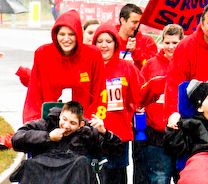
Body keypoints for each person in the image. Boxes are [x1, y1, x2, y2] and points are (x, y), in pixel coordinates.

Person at [22, 10, 107, 123]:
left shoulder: (93, 55)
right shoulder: (42, 54)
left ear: (78, 35)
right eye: (62, 34)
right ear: (55, 35)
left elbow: (100, 92)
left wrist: (91, 123)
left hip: (82, 125)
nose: (66, 39)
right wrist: (33, 122)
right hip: (49, 124)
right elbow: (34, 93)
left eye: (71, 34)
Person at [11, 101, 122, 184]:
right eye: (64, 119)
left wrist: (105, 132)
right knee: (30, 164)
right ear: (60, 116)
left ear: (80, 125)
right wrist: (47, 137)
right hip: (44, 169)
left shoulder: (87, 133)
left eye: (72, 123)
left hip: (72, 171)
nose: (66, 125)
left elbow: (117, 151)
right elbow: (16, 139)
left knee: (82, 162)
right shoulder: (45, 125)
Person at [93, 23, 143, 184]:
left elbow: (138, 97)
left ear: (115, 43)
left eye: (108, 41)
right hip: (92, 134)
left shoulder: (127, 68)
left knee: (116, 178)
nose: (104, 45)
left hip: (118, 135)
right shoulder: (89, 67)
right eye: (99, 41)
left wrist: (129, 113)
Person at [134, 24, 184, 184]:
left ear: (181, 42)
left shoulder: (187, 63)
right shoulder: (150, 65)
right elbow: (139, 97)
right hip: (156, 136)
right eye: (167, 42)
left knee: (184, 179)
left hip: (182, 135)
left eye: (175, 43)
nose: (170, 47)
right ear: (161, 42)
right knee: (159, 179)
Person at [15, 18, 101, 88]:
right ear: (82, 33)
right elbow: (41, 82)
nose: (94, 36)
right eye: (90, 33)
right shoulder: (49, 54)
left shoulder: (97, 57)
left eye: (71, 34)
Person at [117, 3, 158, 71]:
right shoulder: (109, 40)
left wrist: (135, 52)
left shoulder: (147, 41)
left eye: (139, 23)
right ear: (123, 20)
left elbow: (152, 68)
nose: (137, 26)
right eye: (134, 22)